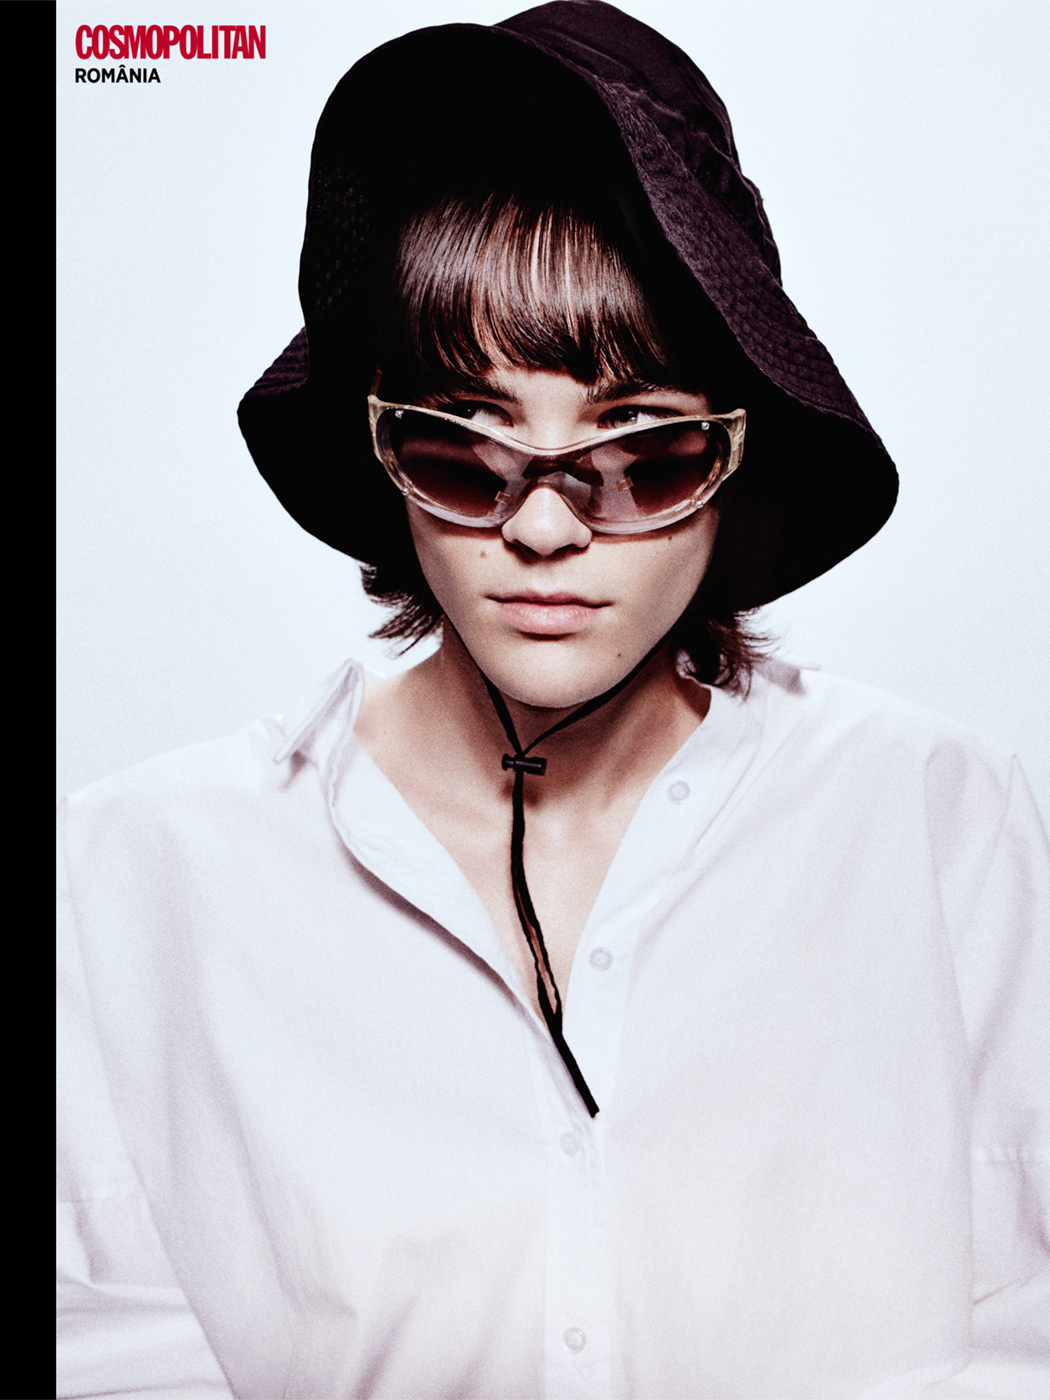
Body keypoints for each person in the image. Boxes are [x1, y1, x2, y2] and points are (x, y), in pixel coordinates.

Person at [57, 4, 1049, 1397]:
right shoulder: (135, 871)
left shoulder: (932, 814)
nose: (539, 530)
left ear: (734, 459)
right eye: (462, 450)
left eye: (641, 454)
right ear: (384, 451)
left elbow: (1016, 1332)